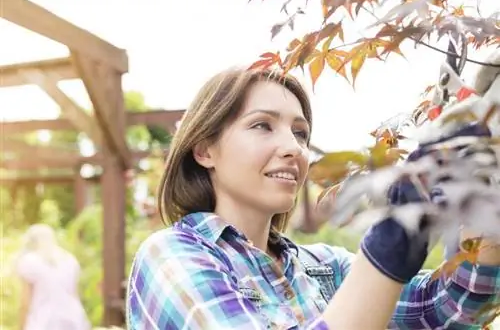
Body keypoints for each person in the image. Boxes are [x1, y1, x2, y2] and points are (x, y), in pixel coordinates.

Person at [126, 67, 500, 329]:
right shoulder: (171, 256)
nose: (294, 148)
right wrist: (390, 243)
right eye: (262, 125)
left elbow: (447, 308)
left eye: (301, 133)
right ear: (205, 149)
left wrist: (486, 203)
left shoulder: (323, 269)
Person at [16, 224, 91, 330]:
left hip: (43, 321)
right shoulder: (70, 260)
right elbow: (75, 294)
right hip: (73, 319)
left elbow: (25, 302)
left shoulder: (29, 261)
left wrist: (21, 326)